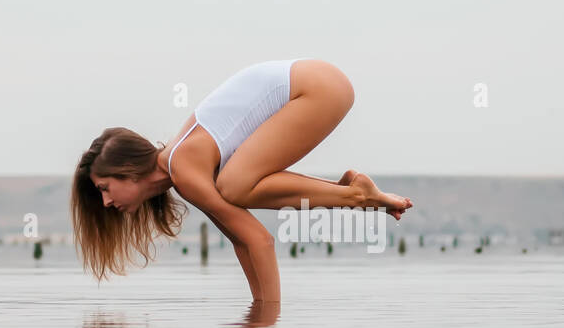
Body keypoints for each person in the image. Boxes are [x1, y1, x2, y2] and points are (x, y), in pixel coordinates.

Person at [71, 59, 412, 300]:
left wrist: (267, 325)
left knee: (234, 186)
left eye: (104, 189)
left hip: (316, 87)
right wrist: (258, 309)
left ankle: (355, 196)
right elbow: (242, 241)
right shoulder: (183, 167)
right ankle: (354, 193)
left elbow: (260, 241)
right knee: (233, 187)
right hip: (320, 82)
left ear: (128, 170)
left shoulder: (183, 167)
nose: (106, 202)